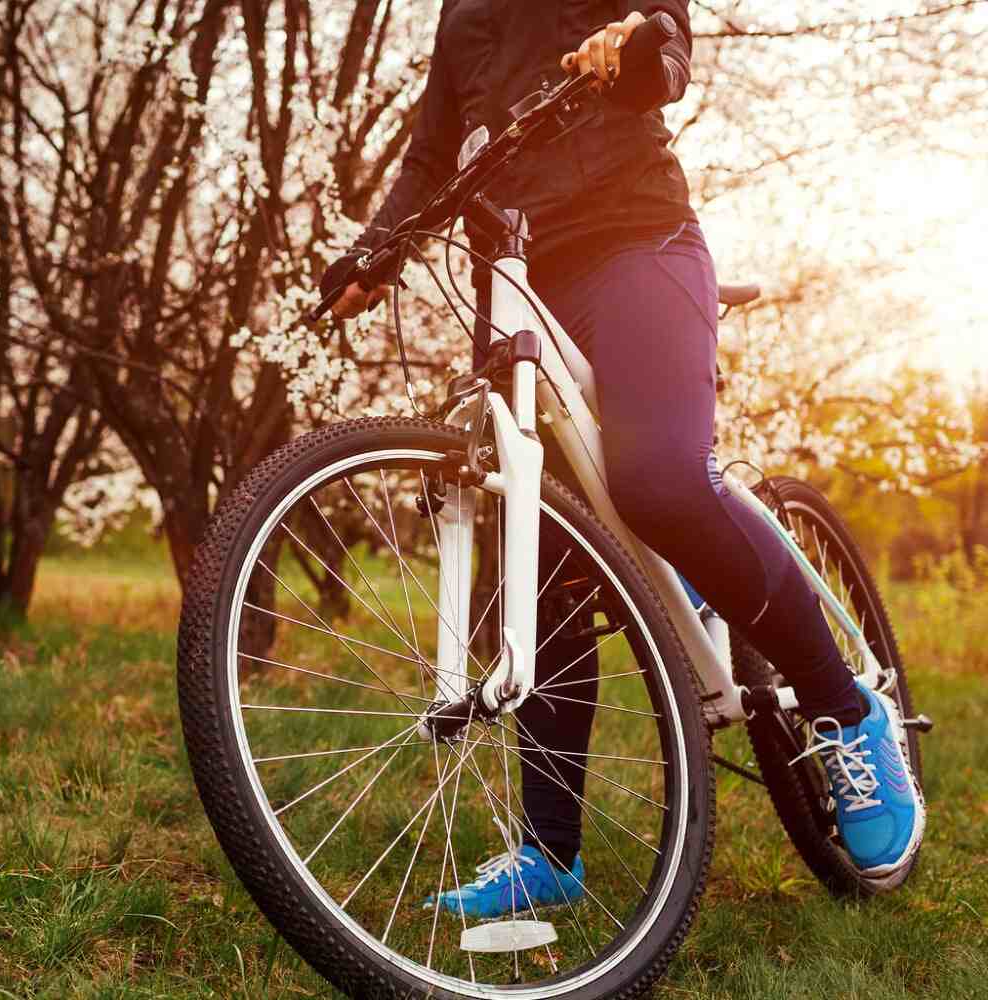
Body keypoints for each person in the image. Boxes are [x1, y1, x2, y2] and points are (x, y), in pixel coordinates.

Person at [320, 1, 924, 919]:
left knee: (659, 484)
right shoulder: (463, 17)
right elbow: (427, 157)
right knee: (539, 554)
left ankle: (843, 707)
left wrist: (634, 50)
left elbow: (665, 52)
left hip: (638, 244)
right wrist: (374, 251)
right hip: (518, 283)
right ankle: (549, 851)